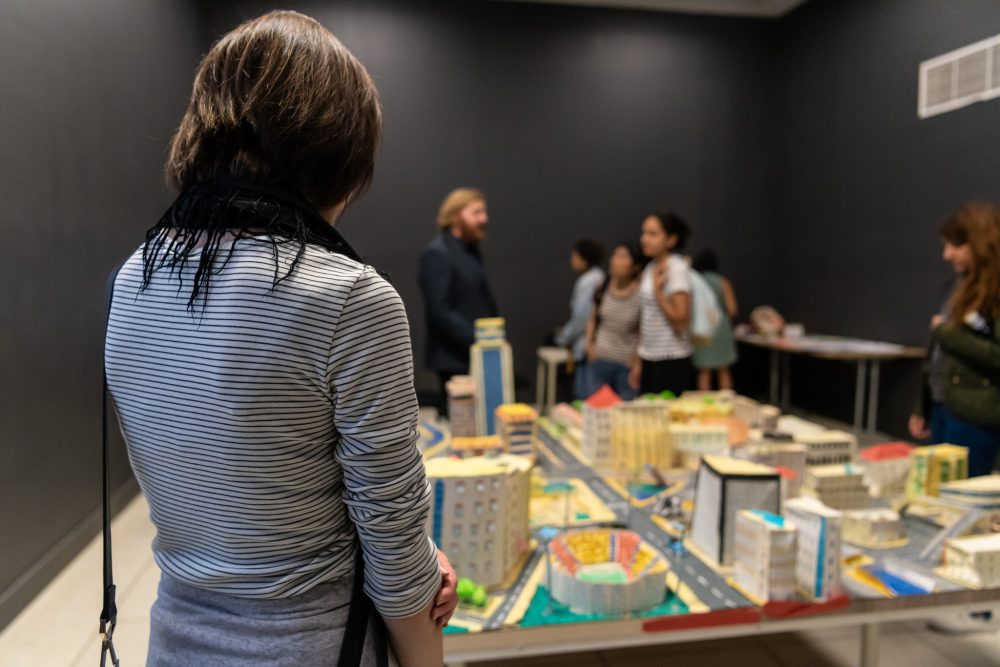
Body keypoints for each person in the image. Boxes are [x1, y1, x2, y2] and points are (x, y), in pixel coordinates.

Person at [104, 12, 456, 666]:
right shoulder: (350, 297)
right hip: (314, 646)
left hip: (176, 636)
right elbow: (395, 547)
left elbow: (227, 485)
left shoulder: (136, 275)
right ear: (342, 151)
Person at [910, 202, 1000, 478]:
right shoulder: (959, 285)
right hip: (942, 404)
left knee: (961, 495)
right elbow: (937, 356)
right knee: (937, 493)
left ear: (979, 243)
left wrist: (948, 334)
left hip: (973, 415)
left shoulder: (994, 292)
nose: (947, 255)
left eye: (955, 246)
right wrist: (921, 406)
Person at [418, 188, 498, 412]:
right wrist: (479, 340)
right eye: (476, 212)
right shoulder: (438, 253)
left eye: (484, 212)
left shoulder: (471, 251)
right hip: (453, 358)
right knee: (462, 428)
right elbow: (439, 310)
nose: (484, 219)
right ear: (455, 216)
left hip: (476, 353)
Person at [631, 210, 695, 396]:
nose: (645, 239)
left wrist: (659, 293)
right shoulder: (650, 267)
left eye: (653, 234)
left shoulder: (676, 268)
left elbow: (681, 321)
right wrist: (638, 359)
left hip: (671, 359)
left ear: (671, 239)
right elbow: (646, 317)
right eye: (644, 233)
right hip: (649, 356)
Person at [582, 242, 644, 400]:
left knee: (624, 414)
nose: (615, 261)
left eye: (623, 257)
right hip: (600, 358)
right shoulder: (604, 286)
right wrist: (589, 345)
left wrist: (637, 361)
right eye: (615, 255)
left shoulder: (642, 293)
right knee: (597, 409)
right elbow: (593, 319)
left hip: (626, 364)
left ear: (635, 265)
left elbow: (644, 330)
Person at [554, 239, 605, 398]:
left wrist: (562, 338)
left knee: (587, 396)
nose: (572, 260)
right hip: (592, 344)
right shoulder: (598, 276)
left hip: (587, 346)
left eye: (574, 256)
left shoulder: (589, 280)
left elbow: (582, 318)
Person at [691, 249, 739, 391]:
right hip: (720, 326)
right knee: (724, 369)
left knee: (704, 370)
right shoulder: (721, 281)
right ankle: (727, 403)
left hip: (700, 327)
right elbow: (732, 309)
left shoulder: (695, 281)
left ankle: (704, 406)